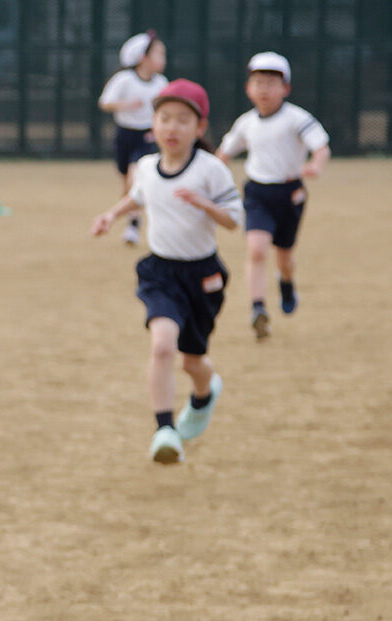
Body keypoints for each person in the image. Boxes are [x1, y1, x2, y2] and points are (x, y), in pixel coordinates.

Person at [90, 80, 245, 464]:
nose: (172, 128)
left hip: (203, 278)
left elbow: (233, 221)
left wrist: (204, 204)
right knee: (162, 346)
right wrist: (112, 213)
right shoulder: (145, 166)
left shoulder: (211, 170)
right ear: (152, 124)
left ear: (200, 128)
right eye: (164, 118)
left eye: (182, 120)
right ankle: (164, 430)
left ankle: (205, 392)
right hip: (160, 272)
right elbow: (140, 195)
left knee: (193, 361)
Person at [216, 52, 331, 340]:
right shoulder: (246, 123)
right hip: (257, 192)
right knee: (256, 250)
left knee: (284, 257)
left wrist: (315, 166)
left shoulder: (297, 118)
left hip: (290, 193)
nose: (264, 89)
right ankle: (258, 308)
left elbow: (321, 147)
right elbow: (224, 154)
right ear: (248, 88)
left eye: (271, 82)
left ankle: (287, 283)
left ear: (285, 89)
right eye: (257, 82)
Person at [97, 31, 169, 246]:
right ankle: (132, 220)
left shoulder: (161, 83)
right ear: (142, 58)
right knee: (126, 183)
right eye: (158, 54)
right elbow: (105, 102)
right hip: (125, 134)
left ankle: (134, 228)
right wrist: (127, 105)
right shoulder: (124, 80)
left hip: (147, 136)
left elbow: (166, 110)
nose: (162, 59)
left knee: (135, 176)